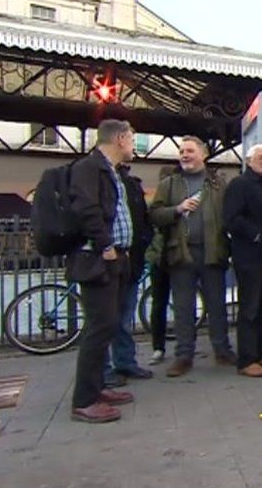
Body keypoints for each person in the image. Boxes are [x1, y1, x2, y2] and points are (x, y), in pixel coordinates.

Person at [66, 118, 136, 423]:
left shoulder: (112, 171)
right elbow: (86, 208)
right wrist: (106, 244)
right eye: (133, 138)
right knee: (99, 326)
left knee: (108, 325)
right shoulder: (88, 168)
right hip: (98, 259)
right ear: (120, 138)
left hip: (116, 257)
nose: (134, 144)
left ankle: (97, 388)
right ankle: (84, 400)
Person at [149, 136, 235, 377]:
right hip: (181, 253)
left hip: (213, 252)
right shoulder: (170, 184)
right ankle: (183, 356)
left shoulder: (218, 184)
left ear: (203, 154)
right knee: (183, 307)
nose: (184, 155)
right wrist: (177, 209)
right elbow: (154, 214)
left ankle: (223, 350)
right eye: (181, 151)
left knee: (217, 305)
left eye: (190, 151)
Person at [223, 144, 262, 377]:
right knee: (249, 309)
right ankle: (246, 360)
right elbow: (231, 218)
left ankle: (261, 353)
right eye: (261, 157)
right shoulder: (239, 184)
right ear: (249, 160)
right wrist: (255, 234)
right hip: (249, 258)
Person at [101, 160, 155, 387]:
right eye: (131, 140)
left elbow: (142, 219)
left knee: (124, 316)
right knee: (104, 320)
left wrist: (145, 243)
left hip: (131, 260)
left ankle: (125, 362)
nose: (134, 147)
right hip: (108, 259)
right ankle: (103, 370)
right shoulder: (100, 180)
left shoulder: (132, 184)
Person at [145, 165, 175, 366]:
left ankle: (158, 347)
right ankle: (161, 346)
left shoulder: (152, 204)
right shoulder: (169, 205)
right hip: (167, 257)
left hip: (159, 258)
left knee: (159, 303)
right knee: (172, 302)